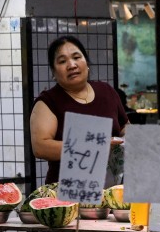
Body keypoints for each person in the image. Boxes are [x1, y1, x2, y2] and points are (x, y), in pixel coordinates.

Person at [30, 35, 128, 186]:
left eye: (77, 57)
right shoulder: (48, 101)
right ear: (53, 72)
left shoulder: (106, 91)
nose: (71, 65)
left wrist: (129, 139)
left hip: (110, 189)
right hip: (68, 192)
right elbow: (40, 147)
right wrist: (93, 146)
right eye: (62, 61)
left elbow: (124, 126)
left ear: (86, 62)